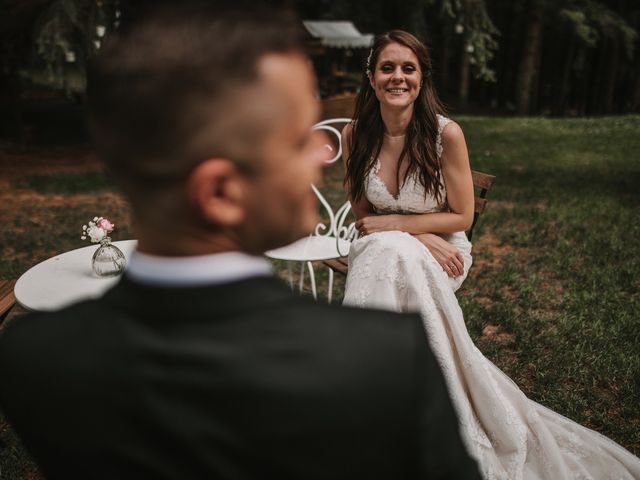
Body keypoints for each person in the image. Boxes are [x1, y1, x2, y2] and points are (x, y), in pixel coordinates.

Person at [0, 5, 482, 479]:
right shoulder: (386, 357)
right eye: (295, 141)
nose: (318, 162)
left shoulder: (35, 361)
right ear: (220, 191)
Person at [341, 29, 640, 480]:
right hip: (396, 244)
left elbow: (461, 216)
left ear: (422, 79)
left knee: (389, 249)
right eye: (387, 68)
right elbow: (365, 217)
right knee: (386, 250)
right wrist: (411, 234)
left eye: (408, 68)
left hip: (445, 251)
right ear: (371, 76)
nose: (397, 77)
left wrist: (403, 228)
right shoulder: (354, 134)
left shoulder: (446, 134)